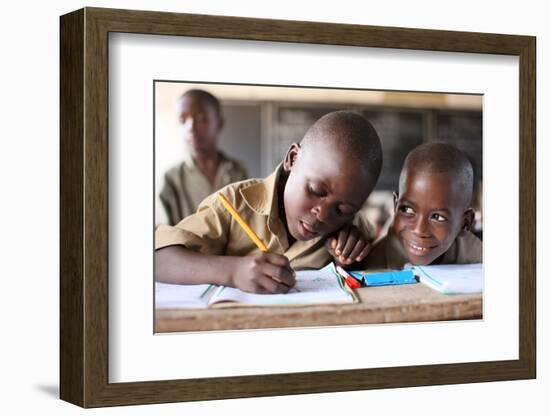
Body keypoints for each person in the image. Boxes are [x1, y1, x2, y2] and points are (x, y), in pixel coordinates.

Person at [155, 111, 383, 294]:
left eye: (341, 210)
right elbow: (157, 260)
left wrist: (349, 262)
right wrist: (233, 271)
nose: (322, 214)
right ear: (292, 158)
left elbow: (380, 281)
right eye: (316, 190)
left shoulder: (352, 229)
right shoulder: (233, 204)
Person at [363, 142, 482, 270]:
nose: (419, 230)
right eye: (407, 209)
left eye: (438, 217)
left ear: (464, 224)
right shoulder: (370, 265)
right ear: (396, 206)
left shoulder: (479, 261)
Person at [159, 89, 248, 225]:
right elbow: (162, 237)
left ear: (219, 124)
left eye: (201, 119)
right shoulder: (171, 179)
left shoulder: (238, 171)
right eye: (183, 120)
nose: (190, 127)